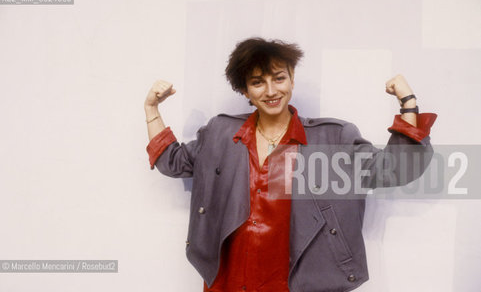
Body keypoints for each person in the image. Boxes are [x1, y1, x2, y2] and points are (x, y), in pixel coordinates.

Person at [144, 37, 437, 291]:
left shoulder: (332, 138)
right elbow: (172, 160)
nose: (271, 91)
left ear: (292, 79)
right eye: (257, 82)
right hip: (228, 282)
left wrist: (408, 103)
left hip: (297, 282)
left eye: (279, 78)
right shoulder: (220, 133)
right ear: (245, 91)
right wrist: (152, 109)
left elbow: (397, 169)